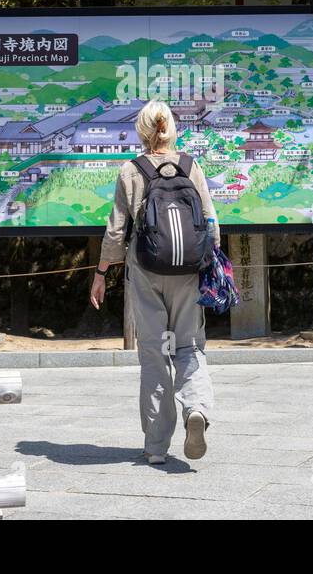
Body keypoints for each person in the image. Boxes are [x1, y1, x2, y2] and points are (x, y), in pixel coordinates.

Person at [89, 101, 219, 464]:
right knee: (189, 346)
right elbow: (210, 223)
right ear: (172, 128)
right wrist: (210, 267)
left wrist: (101, 273)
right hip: (187, 272)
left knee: (154, 353)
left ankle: (157, 447)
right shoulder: (191, 166)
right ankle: (196, 408)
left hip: (146, 271)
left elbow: (116, 232)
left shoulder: (131, 171)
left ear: (142, 131)